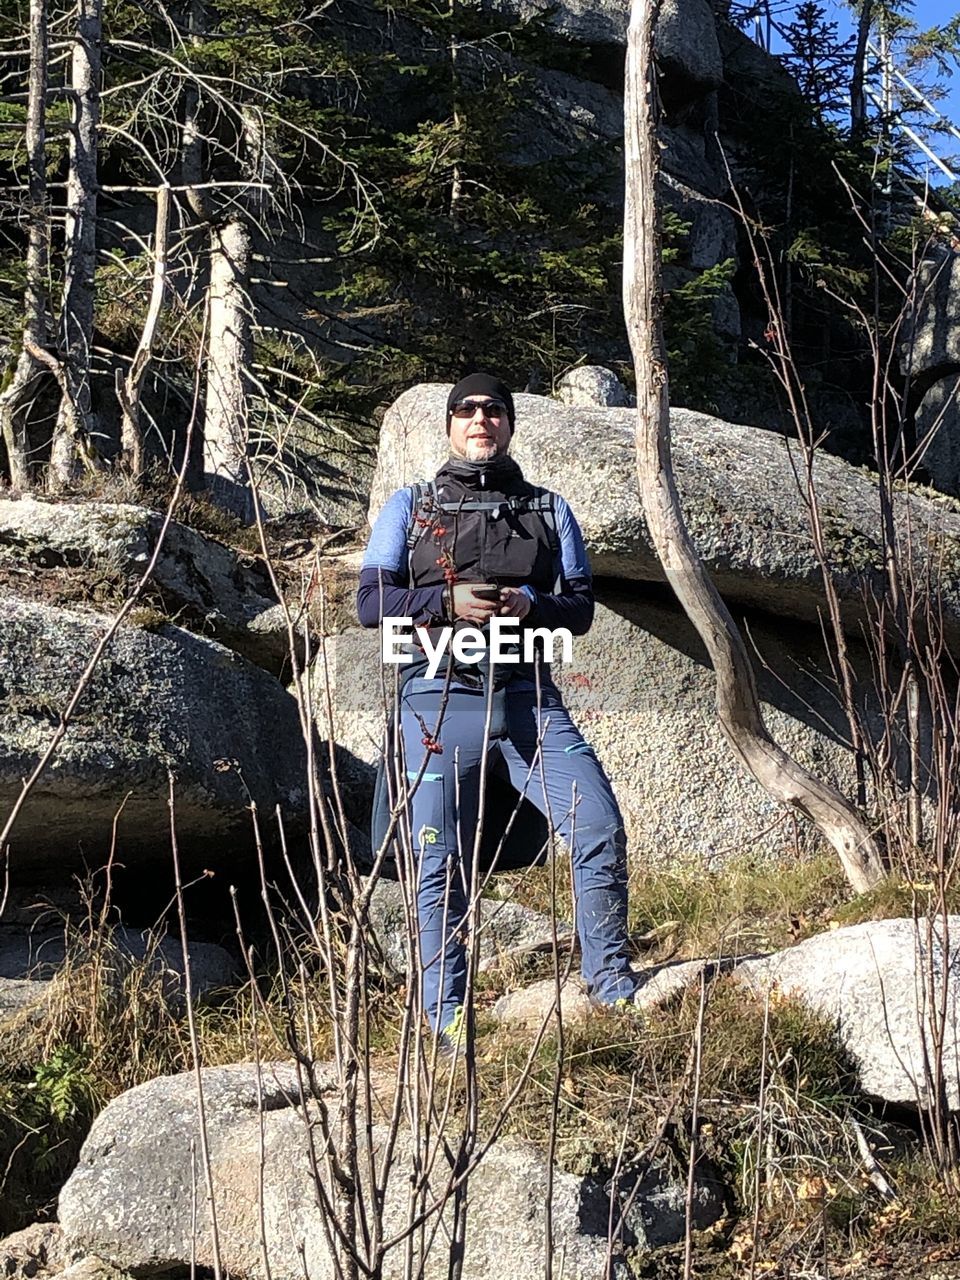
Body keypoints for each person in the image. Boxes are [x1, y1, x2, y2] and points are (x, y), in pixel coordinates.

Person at [357, 374, 639, 1050]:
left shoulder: (549, 509)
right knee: (437, 860)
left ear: (510, 425)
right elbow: (370, 605)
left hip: (526, 698)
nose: (481, 418)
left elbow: (581, 609)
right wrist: (445, 605)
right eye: (467, 410)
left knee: (598, 824)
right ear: (450, 425)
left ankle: (613, 991)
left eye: (494, 409)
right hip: (434, 698)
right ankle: (445, 1021)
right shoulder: (409, 507)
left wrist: (530, 606)